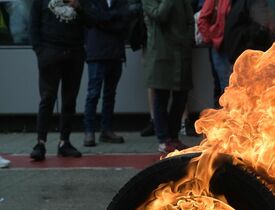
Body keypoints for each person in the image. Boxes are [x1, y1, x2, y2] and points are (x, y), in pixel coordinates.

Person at [29, 0, 87, 161]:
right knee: (47, 98)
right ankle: (40, 143)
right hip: (50, 53)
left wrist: (79, 8)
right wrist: (40, 52)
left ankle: (64, 142)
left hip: (74, 54)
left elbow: (92, 21)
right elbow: (33, 25)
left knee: (69, 101)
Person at [142, 0, 193, 154]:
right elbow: (160, 15)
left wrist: (187, 39)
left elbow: (190, 20)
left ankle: (173, 136)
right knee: (161, 97)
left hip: (181, 53)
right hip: (161, 54)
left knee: (181, 97)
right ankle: (164, 140)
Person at [82, 0, 136, 146]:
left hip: (115, 53)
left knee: (109, 95)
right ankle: (89, 132)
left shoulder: (120, 3)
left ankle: (106, 130)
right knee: (93, 94)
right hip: (97, 54)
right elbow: (92, 18)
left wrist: (102, 20)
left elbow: (124, 21)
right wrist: (113, 18)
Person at [197, 0, 232, 106]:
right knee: (226, 86)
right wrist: (212, 38)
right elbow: (202, 19)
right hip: (222, 47)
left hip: (237, 46)